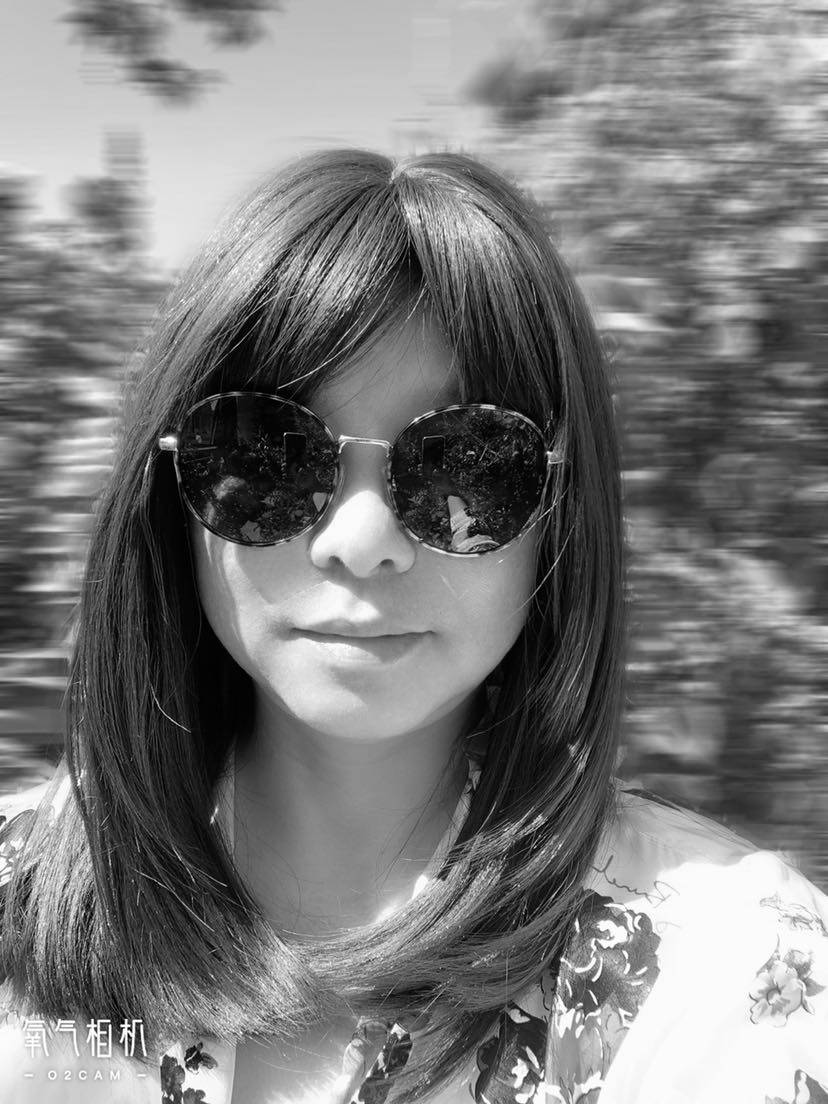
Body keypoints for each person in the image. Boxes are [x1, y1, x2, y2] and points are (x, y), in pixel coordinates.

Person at [0, 148, 826, 1104]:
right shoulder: (20, 894)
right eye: (264, 453)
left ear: (559, 513)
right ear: (168, 496)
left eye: (468, 464)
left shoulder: (729, 969)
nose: (359, 543)